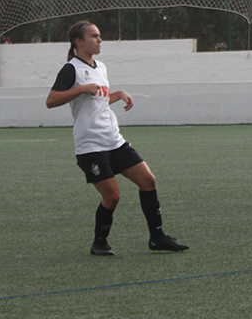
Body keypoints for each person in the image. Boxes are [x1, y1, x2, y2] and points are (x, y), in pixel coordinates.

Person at [46, 20, 190, 256]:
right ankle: (99, 243)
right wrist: (80, 89)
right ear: (78, 42)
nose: (99, 40)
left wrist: (118, 94)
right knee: (112, 196)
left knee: (148, 181)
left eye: (99, 35)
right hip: (90, 145)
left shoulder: (100, 67)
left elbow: (98, 100)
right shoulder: (71, 69)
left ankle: (157, 238)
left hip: (113, 140)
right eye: (94, 36)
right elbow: (51, 100)